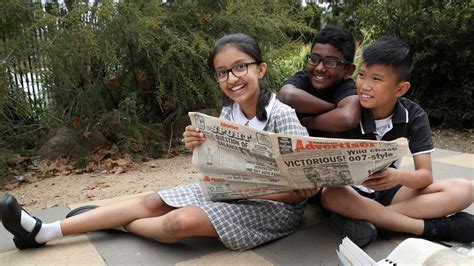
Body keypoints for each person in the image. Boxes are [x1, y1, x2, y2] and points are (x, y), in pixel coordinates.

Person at [0, 33, 319, 251]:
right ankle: (42, 232)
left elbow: (299, 192)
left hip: (271, 208)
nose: (232, 78)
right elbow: (215, 169)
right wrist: (198, 145)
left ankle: (117, 224)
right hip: (226, 192)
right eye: (222, 72)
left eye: (240, 67)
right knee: (152, 201)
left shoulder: (282, 114)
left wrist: (290, 188)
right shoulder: (228, 113)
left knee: (178, 222)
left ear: (260, 69)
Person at [320, 37, 474, 247]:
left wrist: (396, 176)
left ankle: (366, 219)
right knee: (330, 195)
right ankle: (432, 229)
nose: (365, 86)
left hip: (389, 191)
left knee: (465, 189)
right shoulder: (348, 111)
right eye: (362, 75)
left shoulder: (414, 115)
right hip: (350, 192)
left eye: (376, 79)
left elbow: (425, 176)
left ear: (400, 89)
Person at [277, 25, 360, 137]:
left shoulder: (346, 87)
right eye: (314, 59)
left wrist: (304, 123)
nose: (319, 68)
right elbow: (287, 95)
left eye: (330, 62)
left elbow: (348, 117)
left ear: (348, 70)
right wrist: (332, 108)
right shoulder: (304, 78)